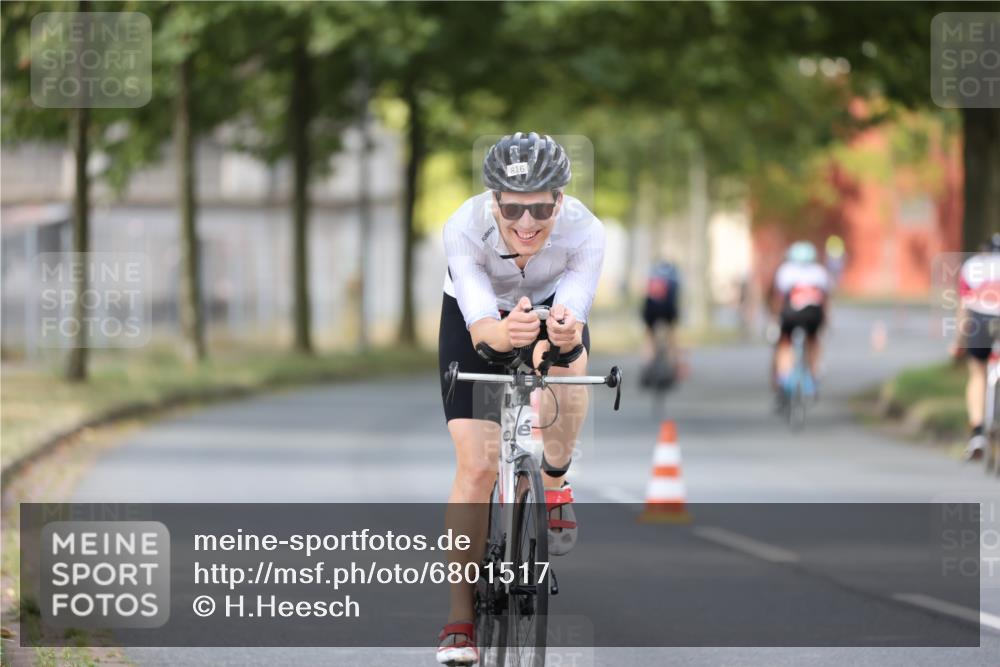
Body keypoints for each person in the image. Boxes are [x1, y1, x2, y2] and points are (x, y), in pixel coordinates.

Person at [436, 132, 605, 665]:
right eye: (512, 208)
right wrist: (498, 333)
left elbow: (575, 309)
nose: (527, 223)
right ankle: (461, 621)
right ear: (493, 201)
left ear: (561, 200)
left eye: (540, 207)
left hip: (550, 305)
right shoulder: (464, 226)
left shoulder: (586, 231)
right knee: (476, 467)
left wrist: (562, 333)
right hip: (476, 315)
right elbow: (481, 319)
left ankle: (554, 480)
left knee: (570, 366)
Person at [949, 233, 1000, 461]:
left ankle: (977, 432)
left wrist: (959, 342)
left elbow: (964, 309)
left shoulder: (972, 266)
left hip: (980, 319)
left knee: (978, 372)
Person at [769, 241, 831, 399]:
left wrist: (775, 317)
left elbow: (778, 297)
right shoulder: (820, 272)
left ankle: (783, 378)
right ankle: (813, 375)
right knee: (813, 341)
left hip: (790, 315)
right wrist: (826, 320)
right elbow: (825, 299)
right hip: (813, 315)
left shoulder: (785, 271)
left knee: (785, 342)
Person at [640, 258, 682, 388]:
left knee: (649, 337)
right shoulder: (675, 274)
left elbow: (645, 292)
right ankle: (673, 368)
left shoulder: (652, 273)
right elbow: (677, 296)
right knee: (671, 337)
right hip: (669, 309)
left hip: (651, 309)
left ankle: (646, 368)